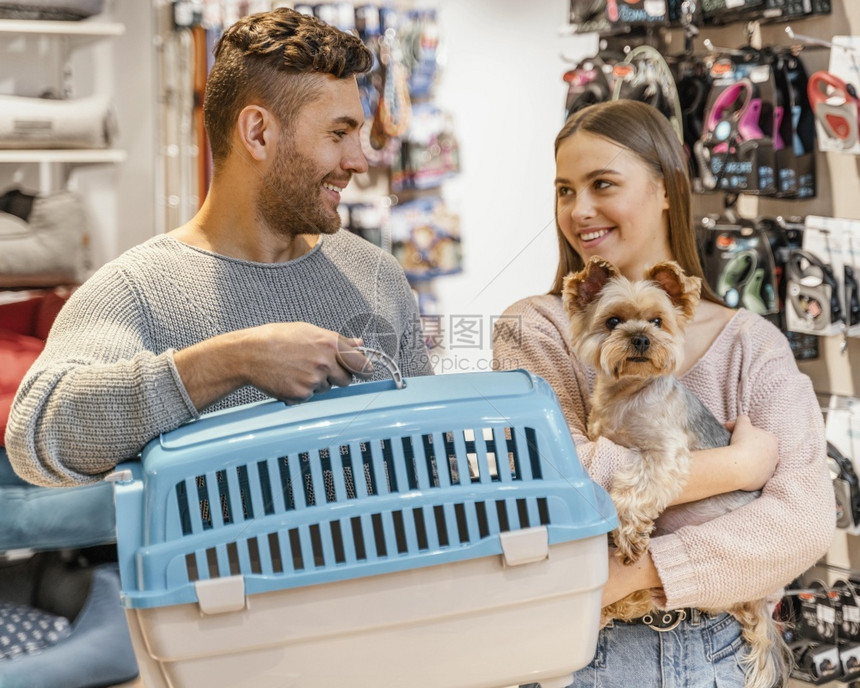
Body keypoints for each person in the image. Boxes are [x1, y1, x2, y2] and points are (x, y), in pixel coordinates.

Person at [5, 8, 432, 489]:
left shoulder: (376, 274)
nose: (357, 160)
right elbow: (39, 436)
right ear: (258, 133)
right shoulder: (136, 289)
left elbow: (433, 452)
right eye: (338, 133)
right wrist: (236, 359)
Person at [493, 99, 834, 687]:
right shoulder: (535, 327)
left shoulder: (753, 346)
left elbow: (803, 521)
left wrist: (633, 574)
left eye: (603, 184)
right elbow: (557, 473)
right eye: (565, 191)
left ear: (666, 189)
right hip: (582, 654)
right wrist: (737, 465)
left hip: (723, 655)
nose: (580, 211)